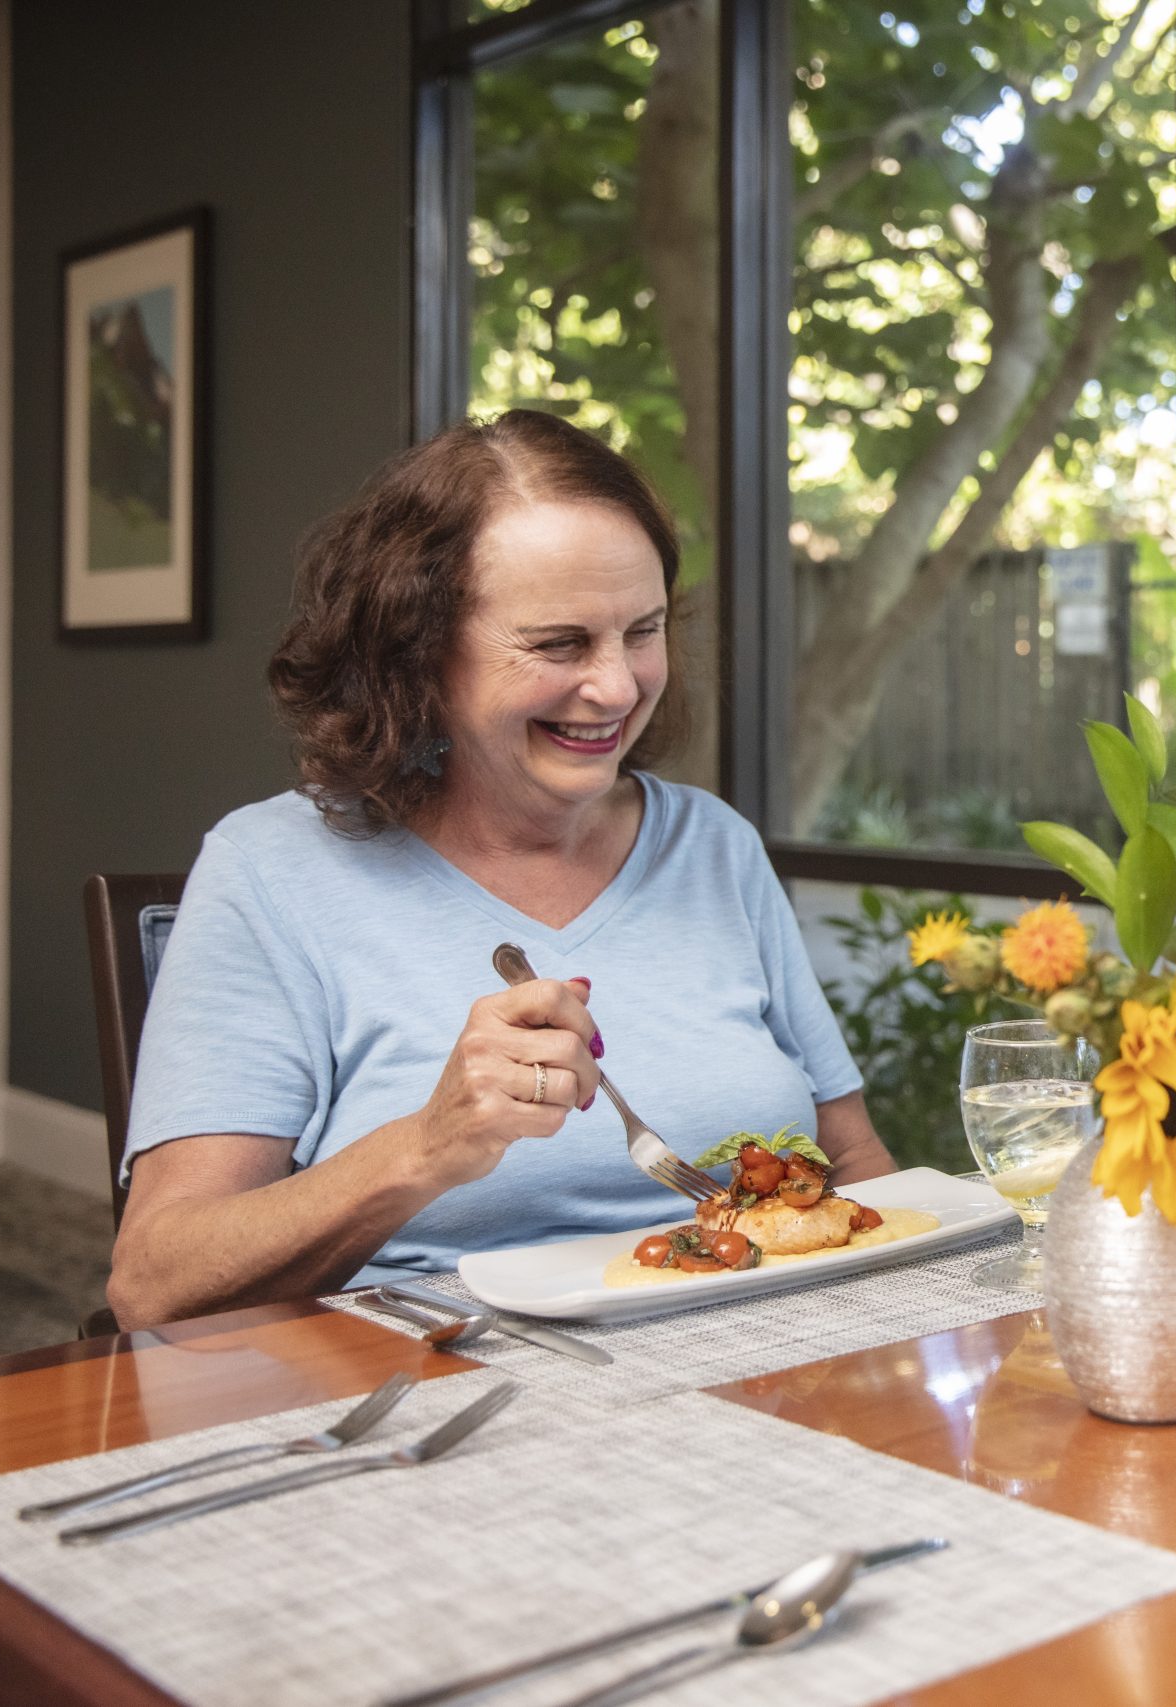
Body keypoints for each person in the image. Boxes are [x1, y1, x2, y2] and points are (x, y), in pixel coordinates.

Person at [106, 410, 892, 1327]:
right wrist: (427, 1147)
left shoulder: (716, 847)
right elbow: (151, 1283)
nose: (618, 685)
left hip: (764, 1375)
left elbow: (859, 1169)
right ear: (418, 652)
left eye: (642, 630)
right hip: (446, 1390)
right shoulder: (271, 874)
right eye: (559, 644)